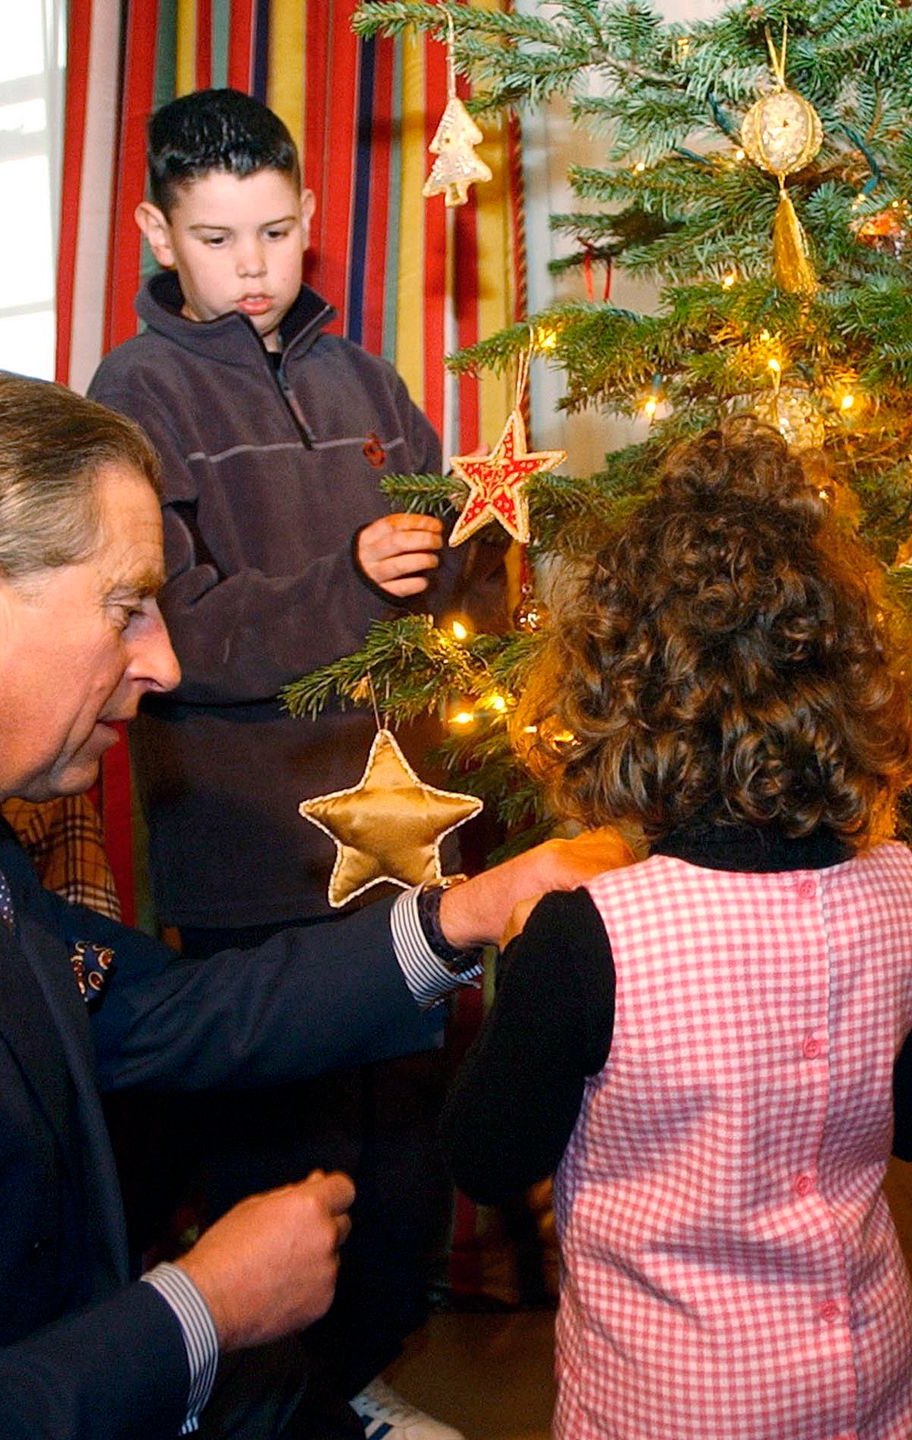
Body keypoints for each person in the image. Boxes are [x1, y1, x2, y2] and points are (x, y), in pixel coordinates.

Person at [0, 369, 631, 1440]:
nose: (161, 661)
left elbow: (166, 1012)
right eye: (128, 609)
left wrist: (468, 913)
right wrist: (201, 1309)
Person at [87, 88, 507, 1438]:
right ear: (158, 229)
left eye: (273, 231)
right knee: (286, 1170)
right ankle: (289, 1404)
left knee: (398, 1165)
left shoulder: (369, 381)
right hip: (253, 863)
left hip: (403, 840)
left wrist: (483, 545)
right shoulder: (133, 393)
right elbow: (173, 632)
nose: (252, 265)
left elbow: (446, 560)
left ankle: (358, 1380)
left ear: (312, 219)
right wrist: (348, 578)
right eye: (217, 238)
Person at [443, 418, 912, 1440]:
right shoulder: (900, 889)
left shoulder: (585, 939)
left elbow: (485, 1155)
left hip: (672, 1404)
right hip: (867, 1382)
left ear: (625, 691)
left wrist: (521, 974)